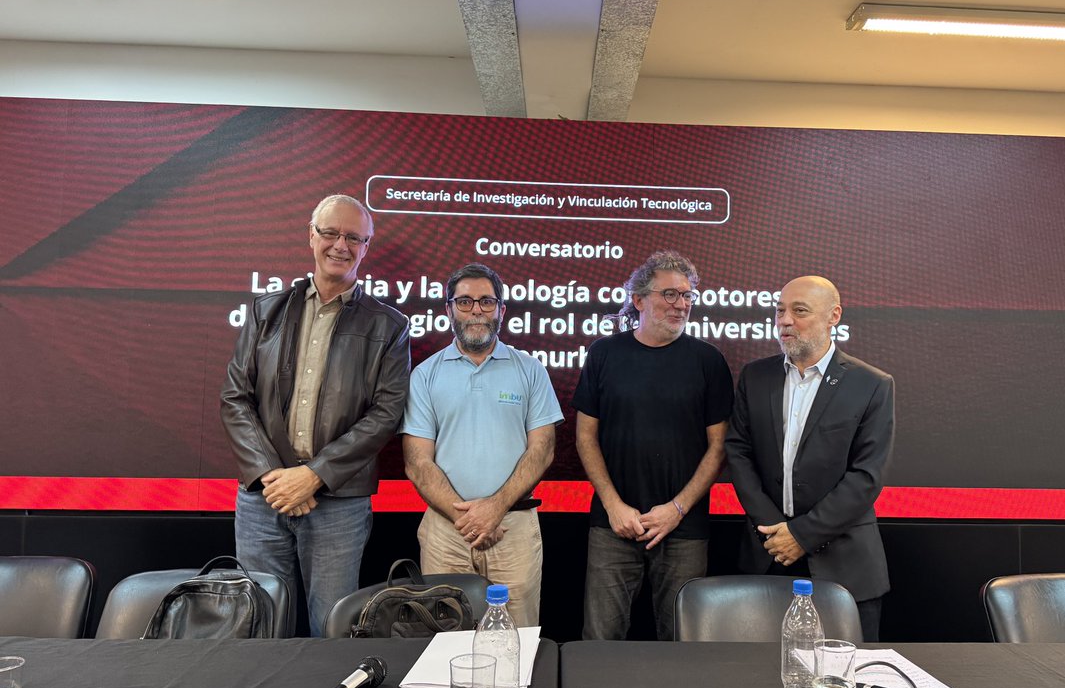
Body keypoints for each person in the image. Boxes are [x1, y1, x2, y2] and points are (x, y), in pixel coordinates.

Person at [220, 194, 410, 636]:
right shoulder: (264, 311)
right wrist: (274, 476)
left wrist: (314, 476)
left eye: (353, 237)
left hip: (338, 505)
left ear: (366, 247)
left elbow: (386, 413)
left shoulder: (390, 326)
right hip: (262, 500)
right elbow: (235, 397)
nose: (340, 245)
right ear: (311, 236)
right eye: (330, 233)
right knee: (261, 626)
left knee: (332, 629)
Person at [573, 250, 733, 641]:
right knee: (599, 641)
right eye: (670, 295)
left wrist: (676, 509)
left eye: (688, 296)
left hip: (683, 529)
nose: (681, 305)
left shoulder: (708, 361)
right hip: (613, 526)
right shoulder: (603, 354)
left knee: (682, 642)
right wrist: (613, 505)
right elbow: (585, 437)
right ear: (639, 300)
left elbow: (719, 448)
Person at [725, 275, 894, 641]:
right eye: (780, 310)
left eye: (798, 311)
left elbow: (866, 477)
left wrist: (801, 534)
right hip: (766, 556)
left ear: (834, 316)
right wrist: (775, 531)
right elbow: (738, 452)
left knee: (845, 685)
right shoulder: (756, 377)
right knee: (752, 680)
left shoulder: (872, 384)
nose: (785, 320)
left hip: (845, 568)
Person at [402, 263, 562, 627]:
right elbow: (417, 462)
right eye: (465, 302)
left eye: (487, 301)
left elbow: (543, 450)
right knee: (446, 640)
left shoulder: (530, 369)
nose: (477, 310)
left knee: (516, 643)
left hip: (514, 527)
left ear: (502, 310)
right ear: (449, 310)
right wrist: (469, 520)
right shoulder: (425, 375)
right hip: (446, 530)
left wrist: (495, 508)